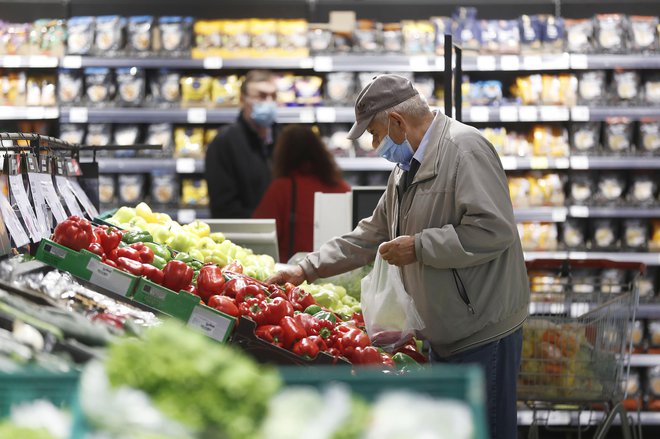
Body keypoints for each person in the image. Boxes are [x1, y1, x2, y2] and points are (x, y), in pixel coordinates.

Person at [267, 74, 530, 439]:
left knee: (488, 431)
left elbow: (494, 229)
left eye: (375, 134)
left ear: (396, 122)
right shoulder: (404, 171)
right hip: (445, 332)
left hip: (483, 330)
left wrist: (419, 246)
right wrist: (304, 268)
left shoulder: (464, 150)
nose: (376, 145)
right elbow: (369, 235)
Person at [253, 125, 351, 263]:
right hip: (334, 269)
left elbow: (260, 236)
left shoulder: (281, 188)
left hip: (291, 272)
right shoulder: (342, 188)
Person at [205, 70, 278, 218]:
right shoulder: (224, 142)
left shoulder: (284, 139)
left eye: (273, 96)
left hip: (283, 235)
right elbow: (223, 206)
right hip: (244, 235)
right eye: (261, 96)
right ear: (242, 99)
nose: (269, 102)